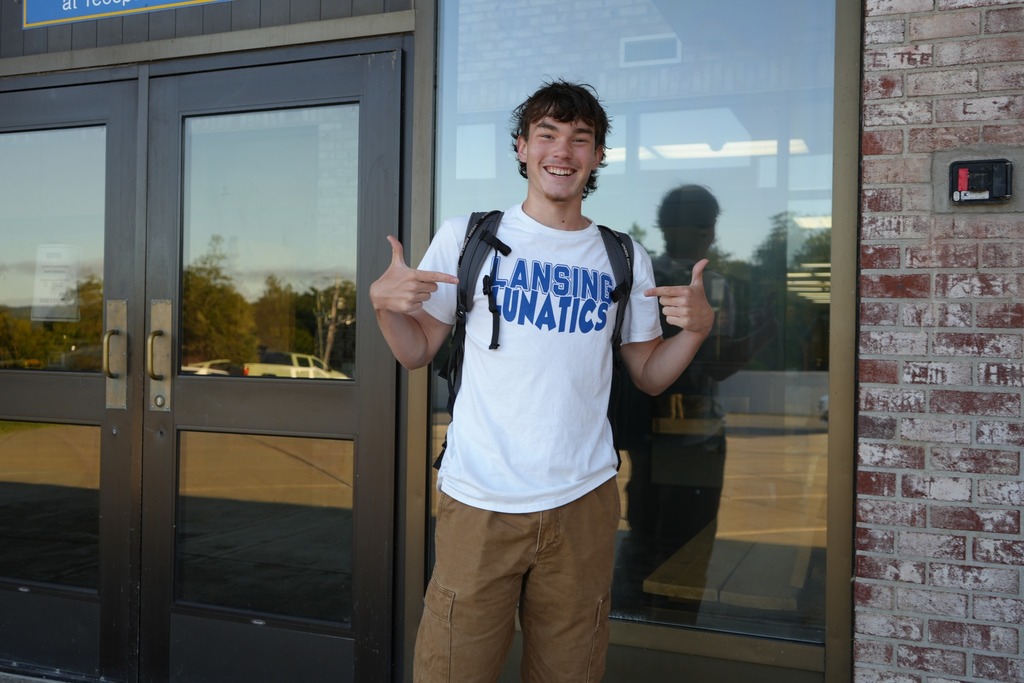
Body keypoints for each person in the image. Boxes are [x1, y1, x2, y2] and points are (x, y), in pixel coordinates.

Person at [369, 80, 714, 682]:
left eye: (581, 138)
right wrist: (383, 306)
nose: (564, 150)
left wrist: (695, 332)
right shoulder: (468, 236)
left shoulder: (622, 255)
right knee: (451, 672)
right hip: (480, 499)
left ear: (598, 156)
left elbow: (649, 375)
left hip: (582, 500)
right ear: (523, 148)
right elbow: (418, 349)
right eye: (548, 135)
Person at [614, 184, 777, 614]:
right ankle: (675, 623)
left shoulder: (635, 273)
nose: (707, 235)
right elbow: (716, 368)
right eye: (706, 226)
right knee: (687, 541)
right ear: (708, 230)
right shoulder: (714, 285)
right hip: (695, 432)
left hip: (645, 428)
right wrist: (764, 333)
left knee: (643, 532)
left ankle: (631, 618)